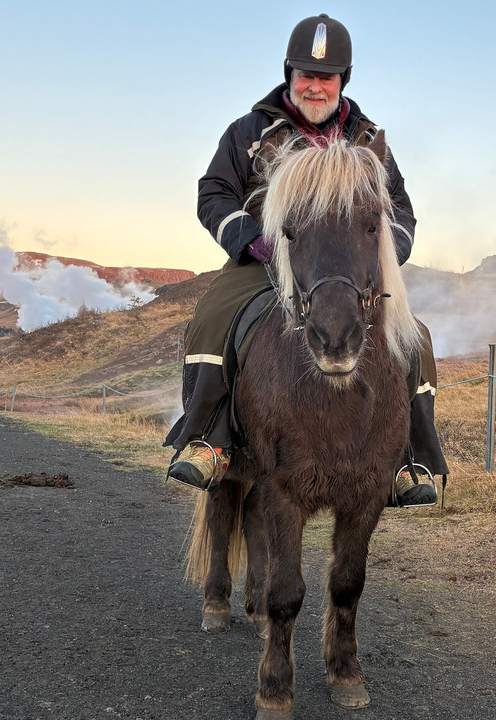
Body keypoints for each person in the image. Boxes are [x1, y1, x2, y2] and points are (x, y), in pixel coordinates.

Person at [164, 13, 447, 506]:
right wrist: (251, 239)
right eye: (306, 75)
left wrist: (382, 252)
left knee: (413, 336)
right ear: (289, 75)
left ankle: (409, 458)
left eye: (327, 77)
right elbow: (214, 193)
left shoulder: (367, 141)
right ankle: (210, 439)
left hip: (346, 271)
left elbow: (400, 211)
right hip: (266, 260)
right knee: (212, 317)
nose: (315, 87)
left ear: (343, 81)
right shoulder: (250, 131)